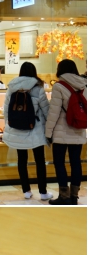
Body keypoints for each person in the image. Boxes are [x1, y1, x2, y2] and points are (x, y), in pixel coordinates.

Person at [2, 62, 52, 201]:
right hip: (35, 129)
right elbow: (46, 110)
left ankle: (26, 191)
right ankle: (43, 193)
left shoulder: (11, 88)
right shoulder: (38, 88)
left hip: (17, 128)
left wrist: (10, 125)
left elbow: (6, 110)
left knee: (21, 160)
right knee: (39, 161)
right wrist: (49, 127)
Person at [44, 58, 87, 205]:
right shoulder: (84, 85)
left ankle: (64, 196)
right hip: (79, 130)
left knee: (59, 163)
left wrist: (48, 133)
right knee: (76, 163)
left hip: (61, 133)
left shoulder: (59, 86)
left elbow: (53, 113)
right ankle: (74, 196)